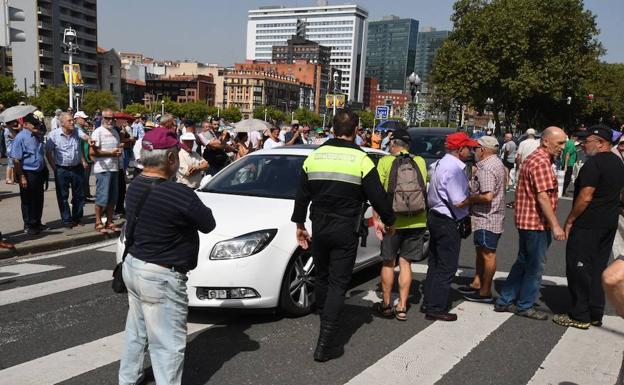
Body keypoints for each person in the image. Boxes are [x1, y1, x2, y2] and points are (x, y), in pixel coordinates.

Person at [291, 109, 396, 362]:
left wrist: (299, 224)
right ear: (355, 130)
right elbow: (378, 197)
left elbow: (302, 194)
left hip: (320, 226)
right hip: (345, 228)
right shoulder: (361, 159)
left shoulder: (315, 156)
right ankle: (326, 343)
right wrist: (389, 221)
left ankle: (323, 312)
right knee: (339, 282)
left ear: (334, 129)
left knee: (323, 277)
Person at [118, 127, 216, 385]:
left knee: (136, 332)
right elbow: (208, 223)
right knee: (167, 345)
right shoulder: (178, 193)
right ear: (171, 158)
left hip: (134, 265)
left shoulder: (135, 184)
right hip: (161, 274)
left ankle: (128, 379)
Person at [553, 125, 624, 329]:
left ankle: (579, 314)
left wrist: (570, 219)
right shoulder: (618, 162)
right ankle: (595, 311)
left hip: (589, 223)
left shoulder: (594, 164)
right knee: (598, 268)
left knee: (579, 268)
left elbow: (585, 197)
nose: (584, 144)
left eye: (588, 140)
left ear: (601, 142)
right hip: (608, 222)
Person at [495, 126, 567, 320]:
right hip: (536, 223)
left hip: (527, 220)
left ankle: (505, 299)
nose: (563, 147)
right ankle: (525, 305)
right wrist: (556, 225)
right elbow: (542, 197)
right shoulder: (541, 162)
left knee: (523, 262)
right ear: (545, 141)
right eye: (559, 143)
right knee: (535, 266)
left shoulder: (535, 159)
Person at [423, 132, 479, 321]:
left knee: (435, 262)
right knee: (447, 266)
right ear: (459, 149)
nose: (470, 151)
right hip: (448, 220)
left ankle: (429, 302)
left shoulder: (439, 163)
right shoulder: (454, 169)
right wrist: (474, 198)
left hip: (436, 216)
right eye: (468, 147)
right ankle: (436, 307)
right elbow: (459, 201)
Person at [373, 128, 427, 321]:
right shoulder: (419, 161)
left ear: (393, 144)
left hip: (392, 221)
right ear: (408, 145)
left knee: (389, 262)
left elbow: (377, 194)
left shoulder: (385, 161)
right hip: (417, 220)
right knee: (406, 263)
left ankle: (386, 305)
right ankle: (402, 306)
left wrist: (377, 219)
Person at [458, 136, 507, 303]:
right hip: (491, 216)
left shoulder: (486, 168)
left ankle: (485, 291)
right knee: (481, 251)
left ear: (483, 150)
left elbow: (487, 196)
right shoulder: (497, 163)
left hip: (487, 217)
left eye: (476, 148)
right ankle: (477, 283)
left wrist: (468, 200)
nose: (474, 152)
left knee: (487, 254)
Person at [45, 113, 88, 228]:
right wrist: (54, 167)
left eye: (72, 120)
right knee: (63, 196)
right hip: (62, 169)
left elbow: (85, 137)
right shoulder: (53, 135)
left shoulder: (76, 132)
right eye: (69, 121)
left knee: (79, 195)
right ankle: (66, 220)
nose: (72, 122)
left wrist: (90, 140)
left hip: (76, 168)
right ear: (62, 123)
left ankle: (77, 218)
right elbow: (48, 152)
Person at [9, 113, 47, 235]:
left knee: (38, 199)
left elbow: (40, 153)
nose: (37, 126)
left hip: (39, 171)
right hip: (27, 172)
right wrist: (21, 176)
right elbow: (16, 160)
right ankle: (28, 224)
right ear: (25, 125)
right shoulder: (20, 137)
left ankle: (37, 221)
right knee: (28, 200)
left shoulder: (37, 135)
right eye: (34, 124)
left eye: (38, 124)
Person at [90, 108, 122, 234]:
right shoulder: (97, 132)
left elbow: (117, 148)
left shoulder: (115, 132)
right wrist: (111, 153)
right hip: (102, 169)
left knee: (113, 197)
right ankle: (98, 221)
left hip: (114, 167)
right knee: (102, 197)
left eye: (112, 118)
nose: (110, 120)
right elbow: (93, 152)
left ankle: (109, 221)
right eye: (107, 118)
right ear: (102, 118)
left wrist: (119, 151)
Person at [74, 111, 94, 202]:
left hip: (87, 157)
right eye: (83, 118)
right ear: (77, 119)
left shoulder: (83, 130)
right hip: (83, 158)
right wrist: (83, 160)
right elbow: (78, 147)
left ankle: (85, 195)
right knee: (83, 178)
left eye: (85, 118)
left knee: (86, 178)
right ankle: (79, 198)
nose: (85, 120)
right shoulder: (76, 130)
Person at [561, 131, 578, 197]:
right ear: (574, 137)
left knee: (564, 179)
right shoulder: (571, 144)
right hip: (568, 164)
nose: (577, 138)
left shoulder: (567, 143)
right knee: (567, 179)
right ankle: (563, 191)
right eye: (576, 137)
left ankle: (563, 191)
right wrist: (566, 166)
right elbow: (568, 154)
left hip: (565, 163)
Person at [4, 119, 19, 184]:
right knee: (11, 165)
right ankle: (9, 179)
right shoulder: (8, 130)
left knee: (11, 165)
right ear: (10, 123)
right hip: (10, 149)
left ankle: (12, 178)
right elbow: (15, 137)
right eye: (13, 122)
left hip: (11, 149)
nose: (15, 123)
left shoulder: (9, 129)